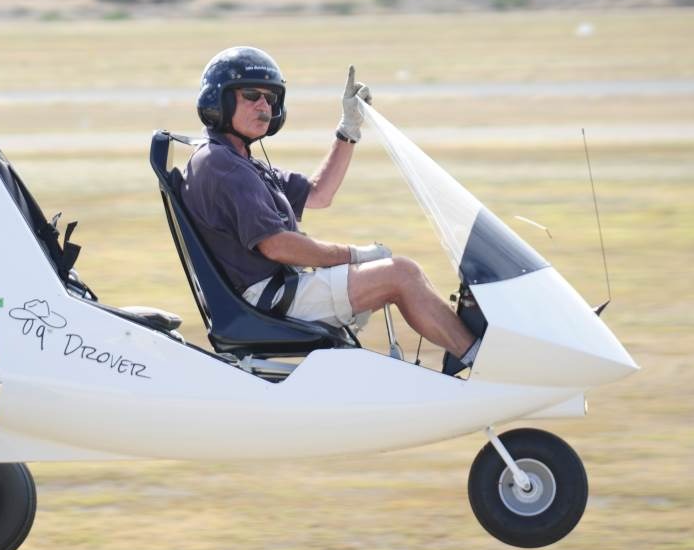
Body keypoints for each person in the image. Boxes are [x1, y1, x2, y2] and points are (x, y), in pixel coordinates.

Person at [181, 46, 481, 375]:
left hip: (278, 291)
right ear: (219, 101)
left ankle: (466, 352)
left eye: (270, 98)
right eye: (251, 95)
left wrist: (348, 130)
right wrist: (355, 255)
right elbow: (279, 246)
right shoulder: (223, 166)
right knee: (401, 274)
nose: (263, 106)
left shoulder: (240, 161)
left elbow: (318, 194)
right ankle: (479, 361)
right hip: (269, 300)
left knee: (403, 272)